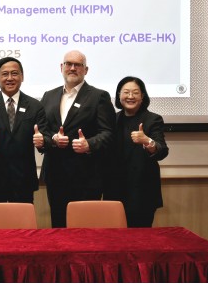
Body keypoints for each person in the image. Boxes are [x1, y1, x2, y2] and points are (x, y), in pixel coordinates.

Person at [40, 50, 116, 227]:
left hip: (87, 175)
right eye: (68, 64)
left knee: (85, 229)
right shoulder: (48, 96)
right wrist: (52, 139)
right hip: (55, 174)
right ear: (62, 67)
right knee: (58, 227)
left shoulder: (99, 96)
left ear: (86, 70)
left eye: (78, 65)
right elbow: (43, 130)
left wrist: (89, 144)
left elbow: (108, 133)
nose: (72, 68)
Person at [0, 57, 48, 204]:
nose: (10, 78)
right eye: (5, 74)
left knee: (23, 220)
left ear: (22, 76)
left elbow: (45, 137)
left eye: (14, 73)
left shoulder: (35, 106)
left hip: (23, 180)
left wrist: (42, 142)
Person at [106, 76, 169, 227]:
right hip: (115, 189)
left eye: (135, 92)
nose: (130, 96)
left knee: (140, 237)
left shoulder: (153, 119)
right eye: (126, 92)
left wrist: (147, 141)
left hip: (142, 191)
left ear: (142, 96)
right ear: (119, 95)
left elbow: (162, 150)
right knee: (114, 236)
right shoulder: (111, 120)